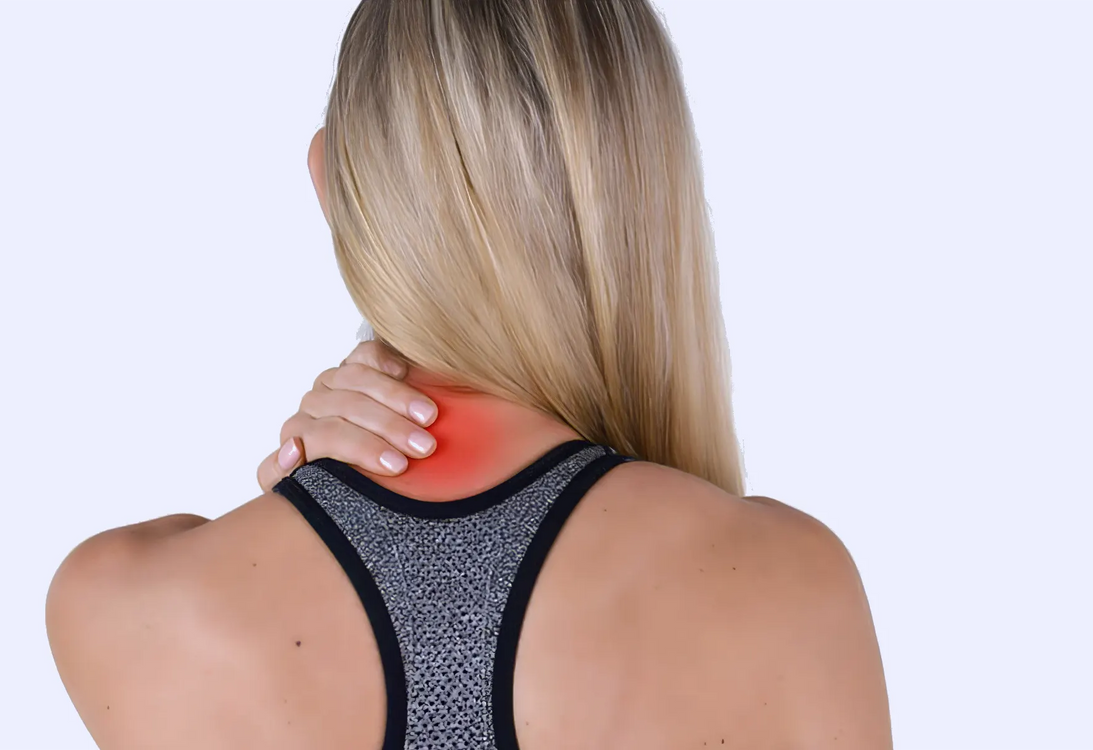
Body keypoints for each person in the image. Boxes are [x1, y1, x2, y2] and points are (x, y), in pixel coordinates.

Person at [46, 1, 891, 747]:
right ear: (645, 194)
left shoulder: (125, 605)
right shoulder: (788, 590)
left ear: (330, 183)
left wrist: (301, 484)